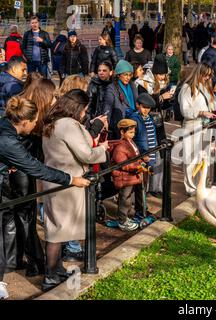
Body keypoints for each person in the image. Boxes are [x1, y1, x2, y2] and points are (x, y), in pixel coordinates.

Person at [0, 96, 90, 299]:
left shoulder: (4, 127)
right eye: (34, 121)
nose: (35, 125)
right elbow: (35, 168)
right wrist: (70, 179)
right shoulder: (7, 139)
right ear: (24, 121)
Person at [41, 90, 107, 291]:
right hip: (69, 183)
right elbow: (86, 153)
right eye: (84, 109)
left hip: (55, 181)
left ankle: (56, 269)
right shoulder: (68, 125)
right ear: (77, 107)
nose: (84, 113)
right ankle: (50, 275)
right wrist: (102, 149)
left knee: (56, 228)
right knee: (57, 232)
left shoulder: (53, 121)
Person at [178, 63, 216, 195]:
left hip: (205, 126)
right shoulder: (187, 88)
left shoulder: (205, 86)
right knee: (191, 158)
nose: (208, 78)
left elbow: (212, 106)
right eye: (206, 75)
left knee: (203, 158)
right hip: (192, 126)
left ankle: (201, 184)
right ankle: (190, 187)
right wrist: (201, 112)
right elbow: (184, 110)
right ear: (199, 73)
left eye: (209, 75)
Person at [111, 119, 146, 231]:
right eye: (130, 132)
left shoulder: (131, 143)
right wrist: (137, 167)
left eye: (133, 132)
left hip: (131, 177)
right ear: (122, 132)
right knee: (125, 198)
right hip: (124, 177)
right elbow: (123, 164)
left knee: (129, 198)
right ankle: (122, 220)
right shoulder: (121, 147)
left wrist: (141, 161)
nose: (133, 134)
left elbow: (135, 157)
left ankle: (126, 216)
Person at [127, 93, 163, 198]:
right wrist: (141, 153)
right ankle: (136, 202)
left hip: (151, 153)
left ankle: (143, 200)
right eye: (144, 107)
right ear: (138, 105)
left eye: (148, 108)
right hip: (141, 155)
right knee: (138, 180)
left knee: (145, 179)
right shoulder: (134, 119)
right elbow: (132, 139)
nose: (146, 110)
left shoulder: (150, 118)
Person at [104, 60, 138, 139]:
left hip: (133, 121)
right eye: (125, 75)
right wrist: (105, 120)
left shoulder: (132, 85)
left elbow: (136, 101)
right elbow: (107, 106)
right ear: (119, 75)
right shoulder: (112, 88)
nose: (128, 77)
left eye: (130, 75)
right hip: (120, 124)